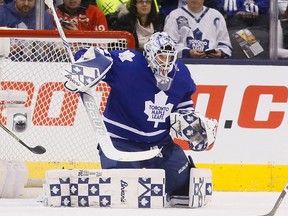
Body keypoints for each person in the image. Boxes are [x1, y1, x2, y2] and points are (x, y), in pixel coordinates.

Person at [63, 32, 216, 201]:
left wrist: (190, 122)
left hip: (160, 144)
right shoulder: (129, 63)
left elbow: (184, 100)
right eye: (161, 57)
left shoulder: (181, 74)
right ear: (149, 54)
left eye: (169, 57)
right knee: (123, 192)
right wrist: (84, 67)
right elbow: (93, 54)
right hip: (121, 141)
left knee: (182, 185)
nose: (165, 63)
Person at [164, 0, 232, 58]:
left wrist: (221, 53)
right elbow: (167, 47)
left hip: (212, 64)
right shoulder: (174, 15)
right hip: (183, 63)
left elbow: (225, 46)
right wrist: (187, 53)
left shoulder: (216, 16)